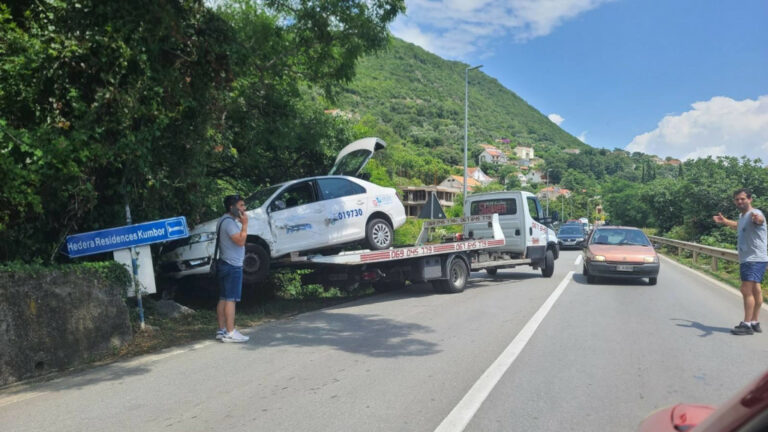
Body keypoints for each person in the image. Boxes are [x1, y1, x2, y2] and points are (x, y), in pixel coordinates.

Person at [713, 188, 766, 335]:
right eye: (737, 199)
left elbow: (759, 220)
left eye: (743, 198)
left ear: (750, 199)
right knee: (755, 290)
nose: (740, 201)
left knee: (745, 290)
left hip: (753, 259)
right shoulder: (743, 216)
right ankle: (754, 322)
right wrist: (724, 221)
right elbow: (738, 225)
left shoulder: (755, 214)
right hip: (753, 259)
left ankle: (747, 324)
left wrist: (758, 220)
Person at [215, 194, 250, 343]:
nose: (244, 209)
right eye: (241, 206)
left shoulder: (223, 220)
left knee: (223, 297)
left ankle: (221, 329)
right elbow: (240, 241)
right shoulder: (229, 223)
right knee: (231, 299)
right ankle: (230, 332)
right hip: (232, 265)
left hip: (225, 263)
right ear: (232, 207)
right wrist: (245, 225)